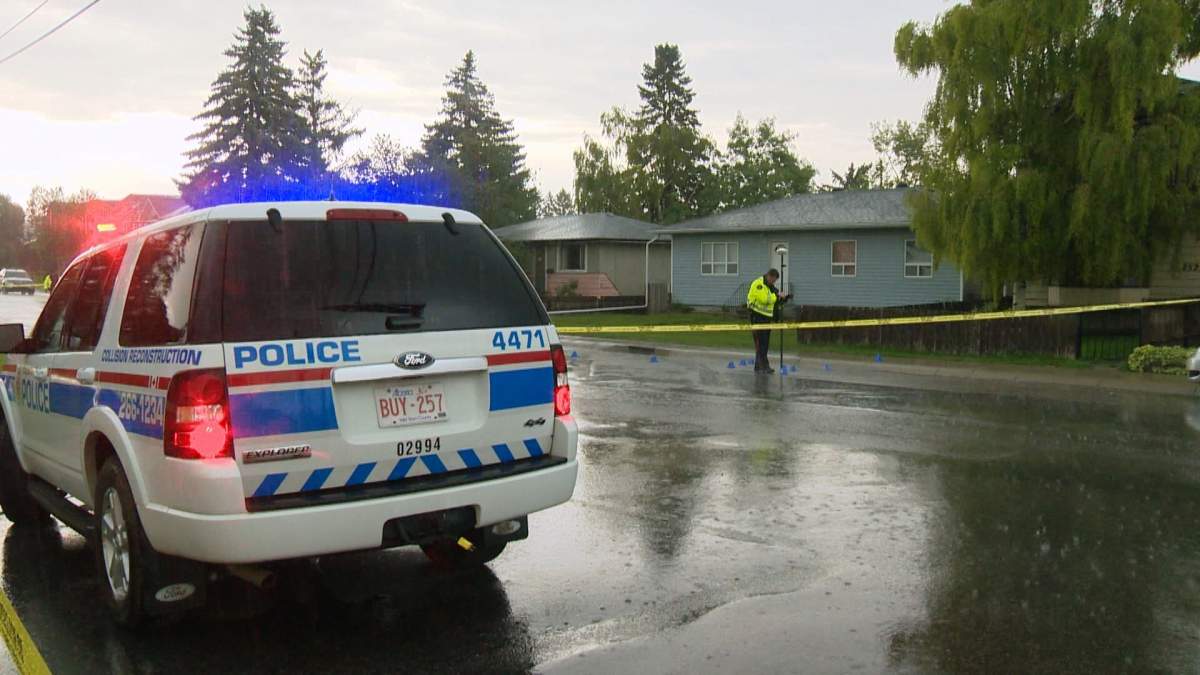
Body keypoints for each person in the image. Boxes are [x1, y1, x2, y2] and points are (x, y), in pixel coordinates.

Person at [746, 268, 790, 373]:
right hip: (757, 316)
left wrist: (783, 297)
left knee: (765, 343)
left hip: (766, 318)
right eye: (773, 280)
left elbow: (774, 296)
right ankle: (762, 366)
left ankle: (762, 366)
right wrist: (776, 296)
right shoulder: (759, 284)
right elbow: (765, 299)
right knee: (760, 343)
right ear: (769, 276)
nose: (774, 282)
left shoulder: (769, 286)